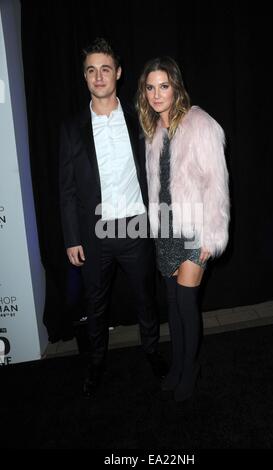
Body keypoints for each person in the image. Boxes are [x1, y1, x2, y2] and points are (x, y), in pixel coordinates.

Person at [59, 38, 167, 398]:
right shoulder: (72, 128)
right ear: (85, 76)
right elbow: (67, 189)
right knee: (95, 305)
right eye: (91, 70)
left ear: (118, 73)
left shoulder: (140, 118)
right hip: (93, 234)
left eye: (105, 68)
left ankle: (152, 352)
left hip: (136, 227)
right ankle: (96, 364)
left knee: (145, 300)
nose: (99, 76)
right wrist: (72, 237)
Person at [136, 57, 230, 402]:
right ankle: (177, 365)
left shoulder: (200, 123)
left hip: (195, 228)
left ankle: (190, 369)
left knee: (187, 302)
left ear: (176, 87)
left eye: (164, 86)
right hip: (166, 231)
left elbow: (216, 185)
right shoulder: (154, 131)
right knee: (173, 304)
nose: (157, 94)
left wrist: (211, 235)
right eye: (150, 87)